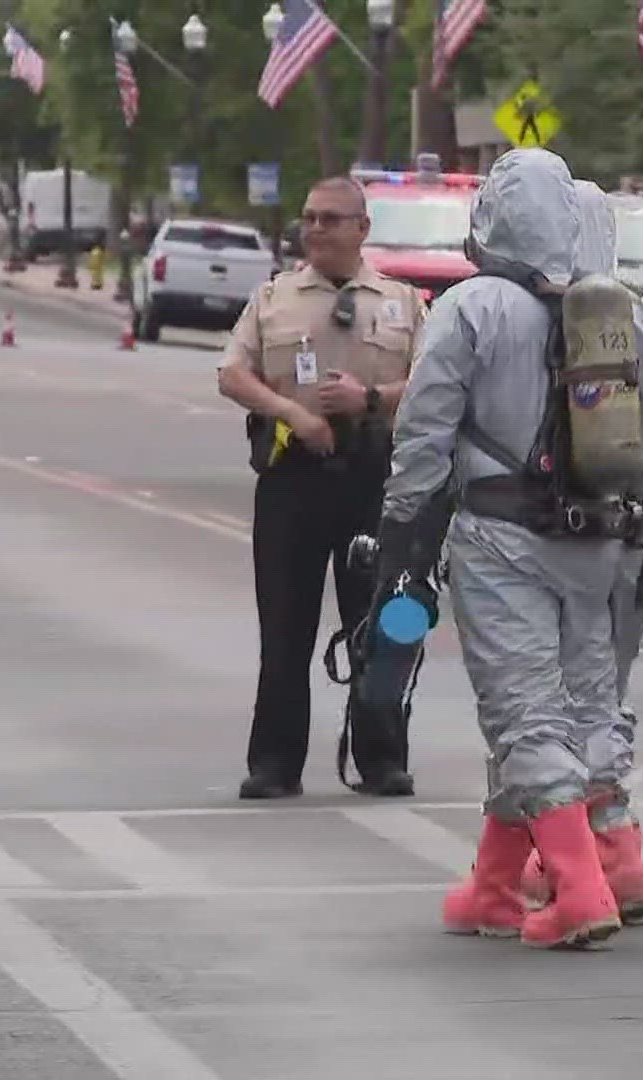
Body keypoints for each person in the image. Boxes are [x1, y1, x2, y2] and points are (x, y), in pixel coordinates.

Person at [375, 148, 643, 950]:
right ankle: (493, 887)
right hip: (601, 544)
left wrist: (404, 531)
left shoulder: (472, 307)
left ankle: (580, 892)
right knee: (583, 708)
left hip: (499, 539)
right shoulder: (622, 320)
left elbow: (424, 430)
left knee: (523, 717)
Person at [514, 179, 643, 925]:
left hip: (553, 536)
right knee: (608, 688)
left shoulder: (534, 324)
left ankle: (602, 850)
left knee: (558, 698)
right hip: (635, 538)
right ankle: (613, 852)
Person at [216, 176, 425, 801]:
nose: (316, 229)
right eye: (308, 218)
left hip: (374, 480)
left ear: (362, 228)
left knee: (383, 626)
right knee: (285, 629)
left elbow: (437, 383)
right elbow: (231, 373)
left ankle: (382, 758)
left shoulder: (403, 303)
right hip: (293, 481)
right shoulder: (273, 299)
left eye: (331, 219)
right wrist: (294, 414)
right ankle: (275, 763)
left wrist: (371, 399)